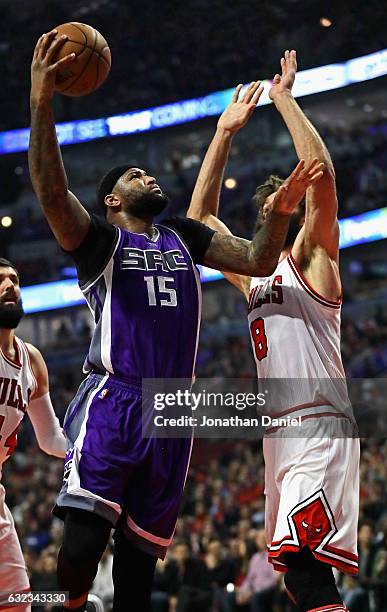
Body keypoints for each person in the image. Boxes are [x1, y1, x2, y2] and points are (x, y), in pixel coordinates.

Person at [29, 30, 323, 612]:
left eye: (147, 171)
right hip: (115, 398)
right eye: (134, 174)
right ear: (112, 200)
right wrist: (41, 101)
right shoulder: (99, 242)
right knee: (82, 551)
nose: (148, 175)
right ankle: (50, 603)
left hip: (173, 411)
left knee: (139, 576)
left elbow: (260, 258)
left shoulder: (186, 238)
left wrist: (281, 212)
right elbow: (52, 190)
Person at [187, 50, 359, 612]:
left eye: (278, 212)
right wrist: (222, 134)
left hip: (316, 418)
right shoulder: (250, 273)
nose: (270, 218)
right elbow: (200, 225)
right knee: (295, 575)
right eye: (266, 213)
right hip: (277, 433)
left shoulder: (312, 258)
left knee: (307, 569)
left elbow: (322, 177)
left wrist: (283, 97)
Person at [0, 257, 66, 611]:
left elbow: (51, 439)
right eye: (0, 280)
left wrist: (87, 448)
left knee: (17, 602)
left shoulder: (31, 360)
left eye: (15, 279)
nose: (10, 285)